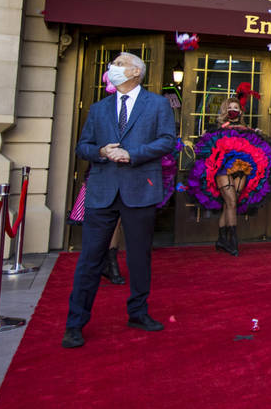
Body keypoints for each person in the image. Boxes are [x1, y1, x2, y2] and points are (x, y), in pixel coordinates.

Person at [63, 52, 177, 349]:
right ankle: (75, 323)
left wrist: (132, 154)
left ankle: (138, 313)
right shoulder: (99, 108)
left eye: (119, 63)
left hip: (140, 188)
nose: (112, 68)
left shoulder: (157, 104)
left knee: (139, 257)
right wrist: (100, 152)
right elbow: (83, 146)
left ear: (136, 71)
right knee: (90, 259)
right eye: (112, 64)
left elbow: (168, 141)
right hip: (102, 190)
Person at [186, 83, 271, 257]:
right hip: (222, 171)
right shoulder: (218, 130)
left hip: (242, 170)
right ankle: (233, 241)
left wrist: (255, 132)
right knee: (232, 203)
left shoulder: (247, 130)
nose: (233, 110)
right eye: (230, 108)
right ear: (225, 111)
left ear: (241, 111)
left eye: (236, 108)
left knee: (229, 204)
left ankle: (221, 240)